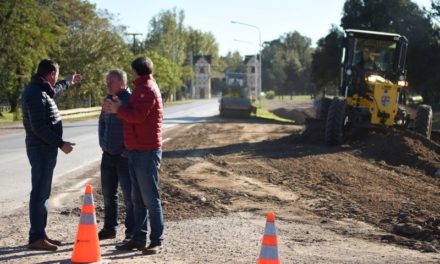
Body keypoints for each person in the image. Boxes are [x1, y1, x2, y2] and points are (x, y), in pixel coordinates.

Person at [102, 56, 164, 255]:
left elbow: (137, 117)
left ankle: (156, 240)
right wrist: (120, 108)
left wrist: (118, 109)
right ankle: (138, 238)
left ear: (136, 72)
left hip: (146, 150)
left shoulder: (146, 89)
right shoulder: (141, 88)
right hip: (136, 149)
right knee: (137, 199)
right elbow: (133, 113)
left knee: (150, 199)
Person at [21, 59, 81, 251]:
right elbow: (38, 127)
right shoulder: (35, 93)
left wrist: (69, 81)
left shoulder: (42, 89)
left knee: (43, 193)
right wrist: (61, 143)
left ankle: (40, 234)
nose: (56, 81)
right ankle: (36, 237)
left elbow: (56, 90)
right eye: (56, 76)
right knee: (39, 193)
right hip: (40, 149)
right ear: (50, 75)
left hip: (45, 149)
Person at [98, 69, 134, 243]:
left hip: (124, 157)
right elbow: (102, 123)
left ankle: (131, 232)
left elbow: (134, 125)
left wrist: (126, 150)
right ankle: (109, 229)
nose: (107, 85)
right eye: (107, 82)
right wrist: (103, 144)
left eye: (110, 82)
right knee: (108, 194)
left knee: (129, 196)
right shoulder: (107, 100)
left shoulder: (130, 101)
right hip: (108, 154)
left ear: (121, 82)